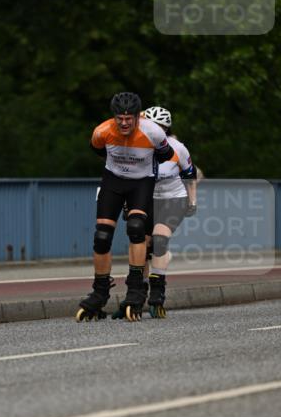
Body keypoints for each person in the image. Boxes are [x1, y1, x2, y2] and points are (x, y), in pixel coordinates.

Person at [76, 91, 174, 323]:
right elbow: (97, 150)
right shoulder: (102, 132)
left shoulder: (153, 132)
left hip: (141, 183)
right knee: (102, 236)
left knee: (136, 228)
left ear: (138, 117)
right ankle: (100, 291)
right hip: (113, 181)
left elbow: (166, 155)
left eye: (129, 118)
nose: (124, 123)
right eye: (119, 118)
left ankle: (136, 289)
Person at [139, 105, 197, 318]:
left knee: (159, 241)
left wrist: (192, 201)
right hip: (149, 199)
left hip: (174, 198)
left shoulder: (177, 148)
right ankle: (139, 290)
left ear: (166, 129)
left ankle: (157, 294)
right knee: (141, 245)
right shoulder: (138, 146)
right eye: (151, 126)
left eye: (160, 127)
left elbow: (190, 175)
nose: (155, 131)